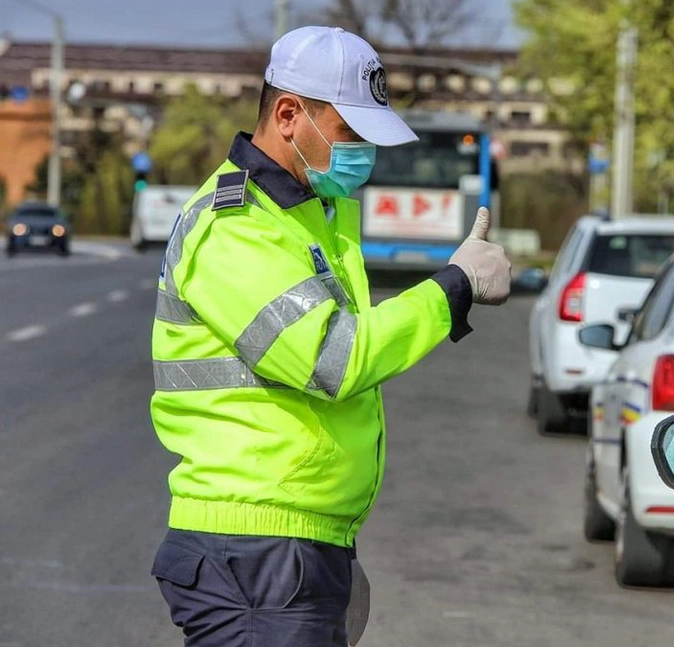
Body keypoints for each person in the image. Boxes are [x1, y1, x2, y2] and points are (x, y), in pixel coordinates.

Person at [148, 26, 511, 646]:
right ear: (289, 115)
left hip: (287, 549)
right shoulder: (234, 228)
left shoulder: (308, 214)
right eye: (350, 133)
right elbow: (334, 358)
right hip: (256, 553)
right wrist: (453, 289)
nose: (364, 152)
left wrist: (328, 552)